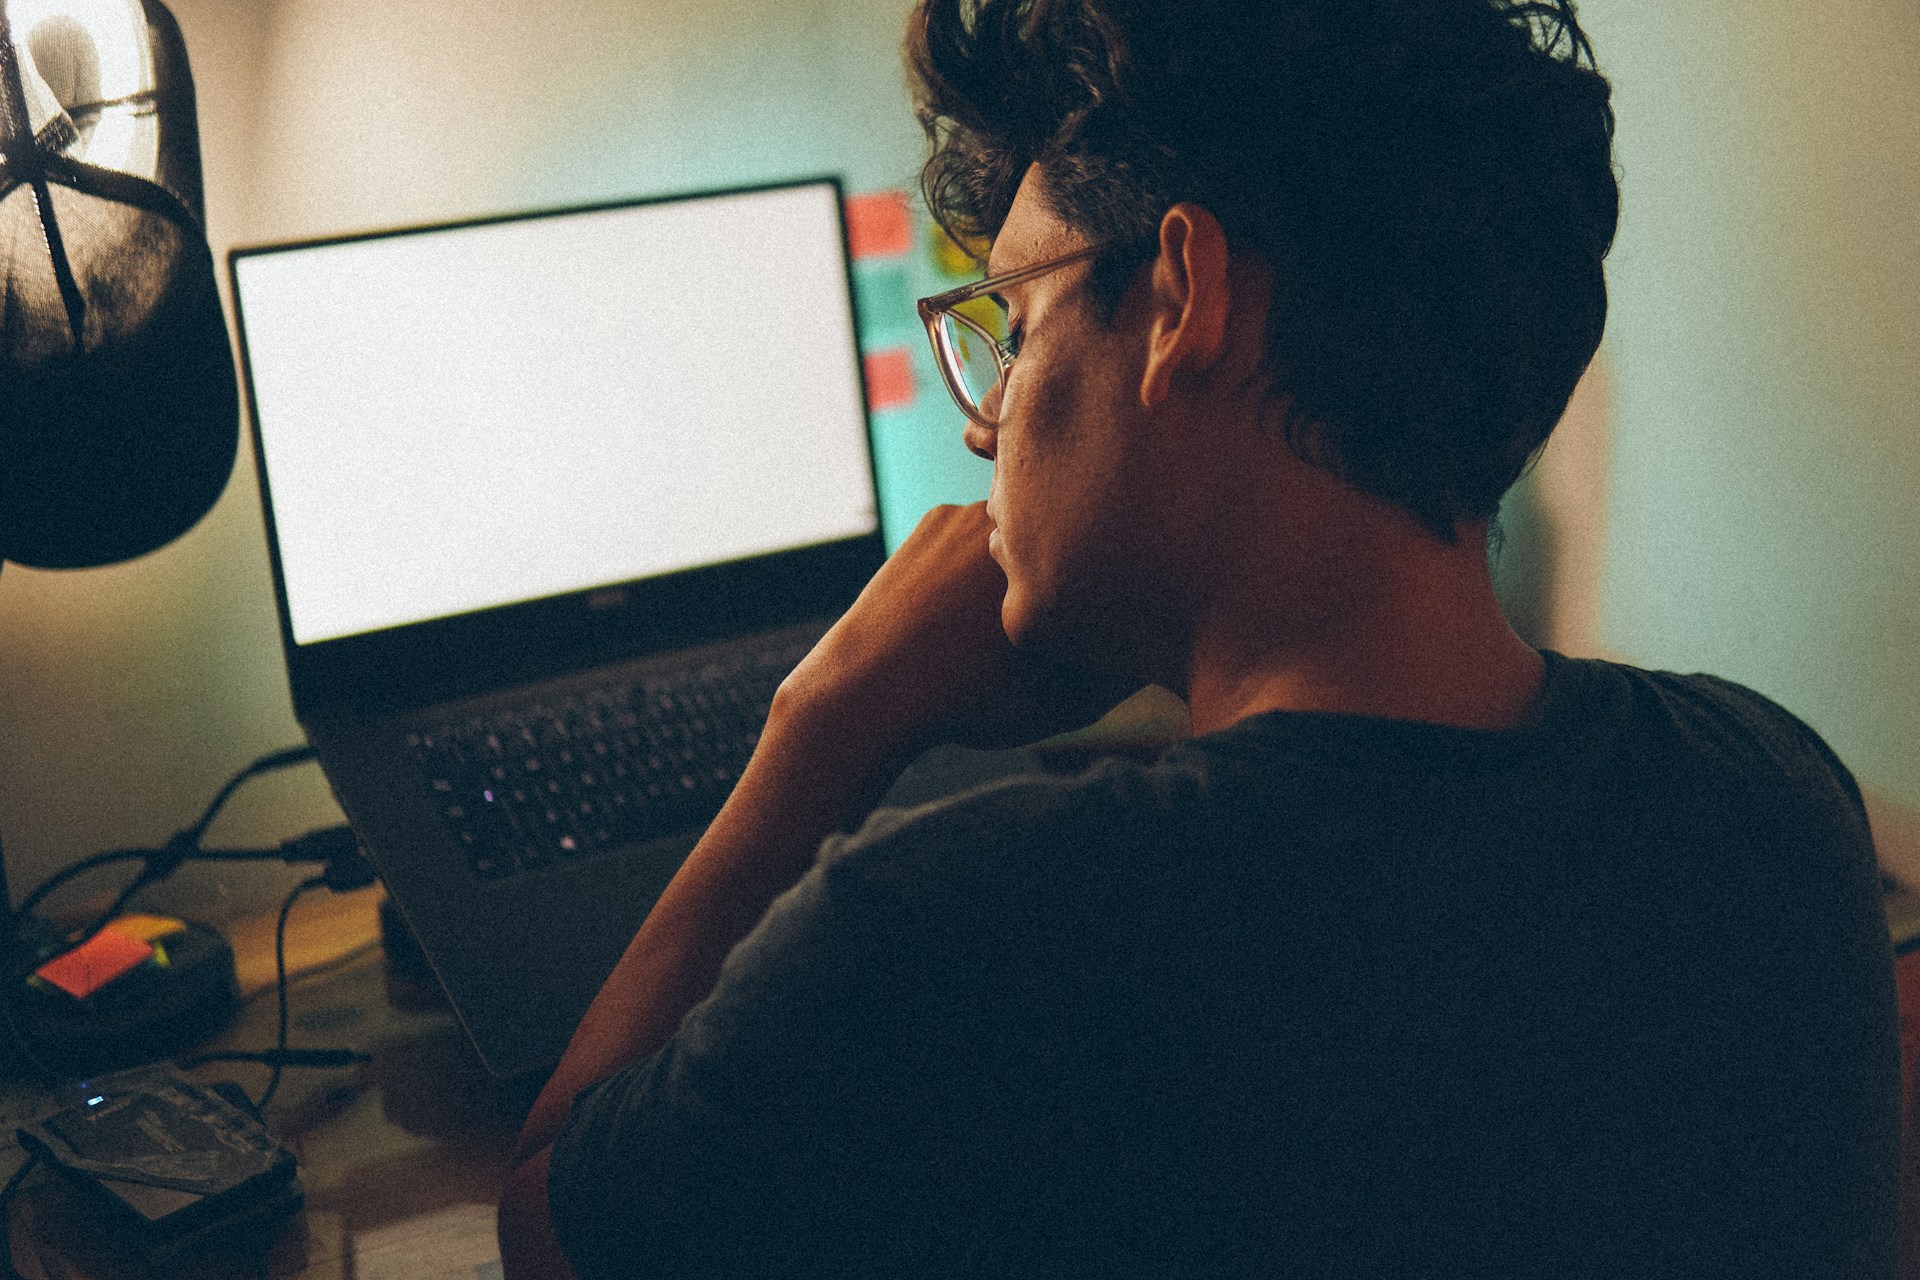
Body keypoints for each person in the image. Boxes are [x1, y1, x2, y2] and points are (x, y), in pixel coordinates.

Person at [498, 0, 1900, 1274]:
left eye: (1013, 323)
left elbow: (547, 1234)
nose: (984, 422)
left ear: (1184, 298)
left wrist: (830, 722)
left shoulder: (951, 938)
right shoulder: (1777, 798)